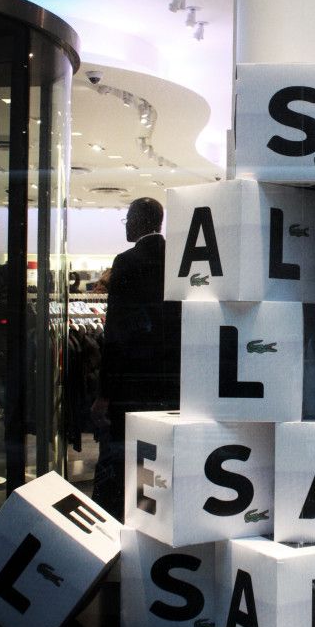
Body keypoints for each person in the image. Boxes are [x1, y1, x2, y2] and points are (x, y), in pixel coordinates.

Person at [91, 198, 181, 519]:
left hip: (131, 381)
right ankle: (152, 513)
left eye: (128, 218)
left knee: (122, 452)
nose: (126, 225)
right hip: (170, 381)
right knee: (159, 451)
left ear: (140, 220)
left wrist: (104, 392)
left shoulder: (127, 262)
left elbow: (115, 332)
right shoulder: (178, 259)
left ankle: (115, 517)